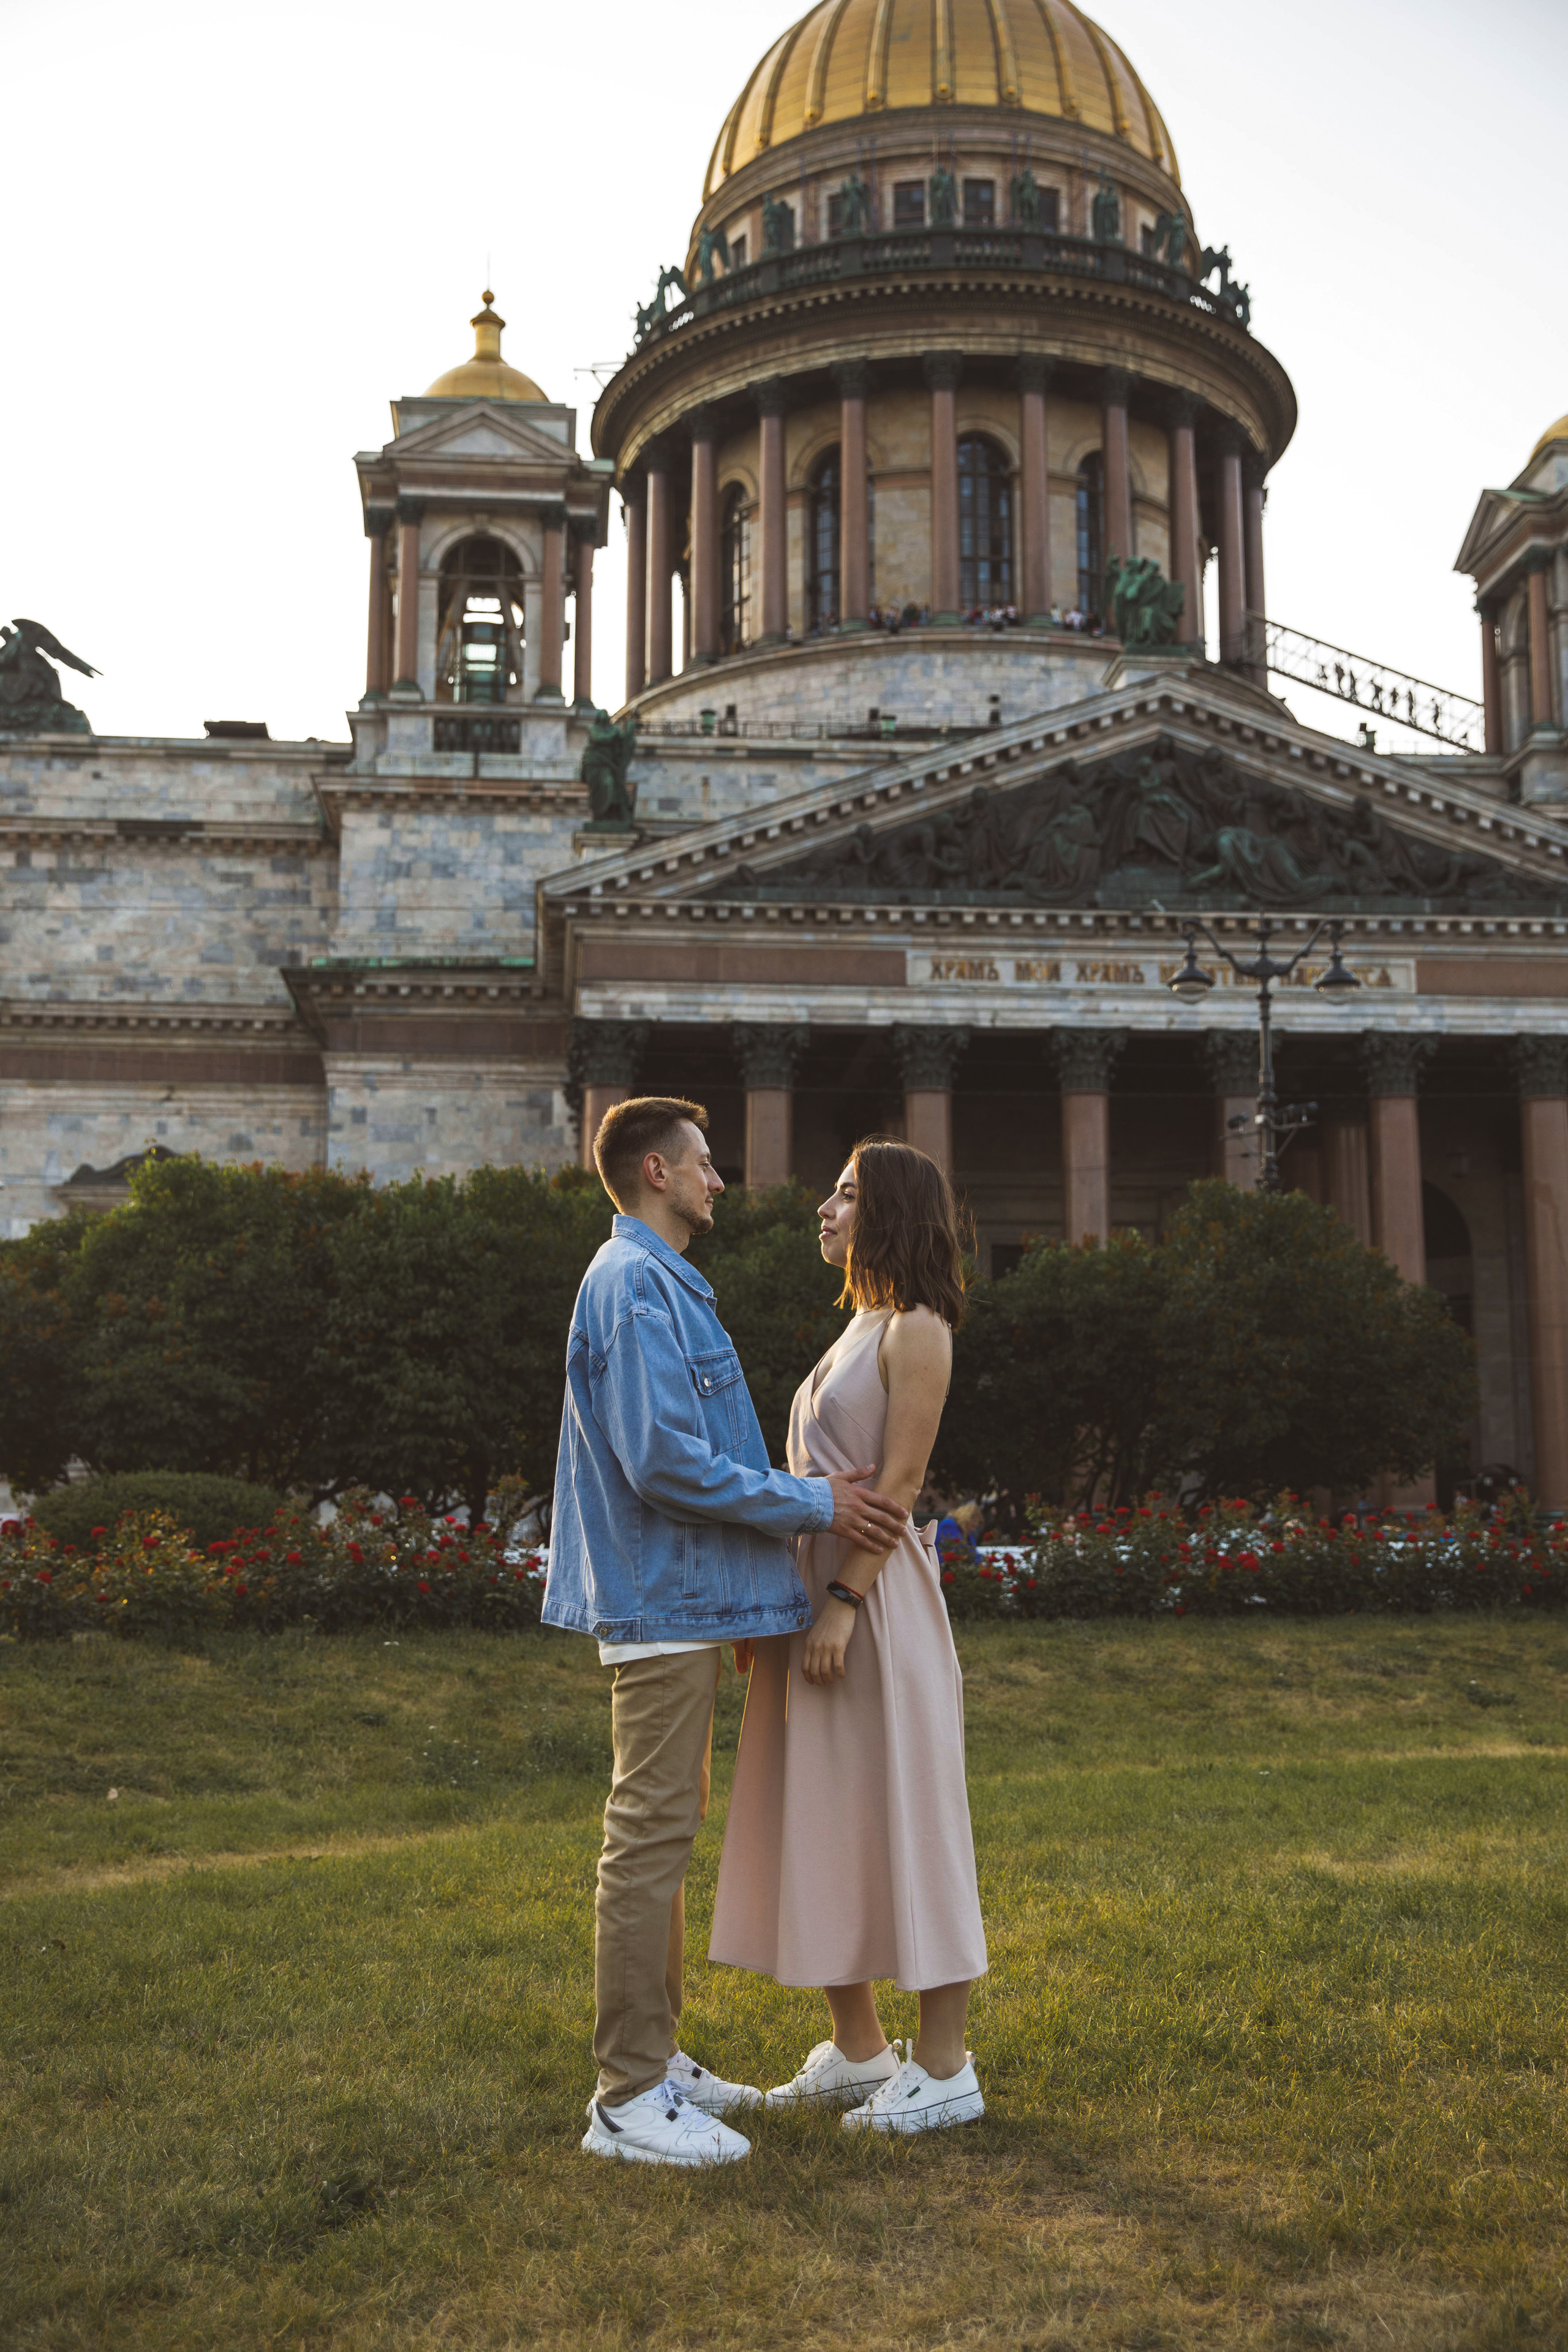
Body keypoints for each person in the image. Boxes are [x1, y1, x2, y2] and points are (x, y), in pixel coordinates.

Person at [545, 1096, 908, 2171]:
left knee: (660, 1835)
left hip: (680, 1601)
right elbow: (663, 1462)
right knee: (647, 1843)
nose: (721, 1179)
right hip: (658, 1600)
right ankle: (626, 2100)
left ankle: (656, 2060)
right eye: (705, 1163)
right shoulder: (634, 1287)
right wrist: (818, 1506)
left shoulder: (660, 1285)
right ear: (656, 1171)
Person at [709, 1138, 989, 2135]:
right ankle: (864, 2051)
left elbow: (902, 1489)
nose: (823, 1209)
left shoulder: (918, 1328)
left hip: (874, 1609)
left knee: (910, 1812)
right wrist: (776, 1608)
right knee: (820, 1815)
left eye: (846, 1195)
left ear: (894, 1213)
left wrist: (844, 1603)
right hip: (809, 1605)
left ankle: (947, 2067)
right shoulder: (856, 1326)